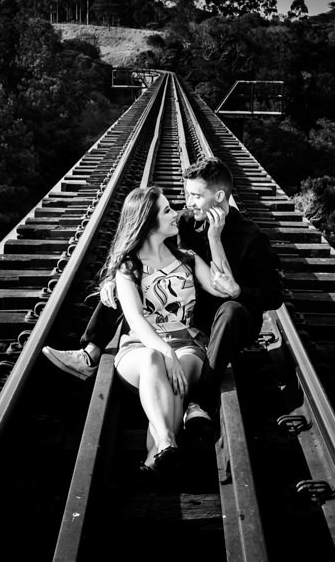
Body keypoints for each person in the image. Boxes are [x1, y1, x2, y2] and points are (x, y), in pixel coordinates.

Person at [44, 157, 283, 429]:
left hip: (232, 321)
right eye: (187, 194)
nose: (189, 202)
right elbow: (144, 245)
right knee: (136, 279)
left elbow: (274, 296)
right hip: (191, 310)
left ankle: (200, 400)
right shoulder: (184, 221)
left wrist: (238, 291)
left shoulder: (251, 237)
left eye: (195, 195)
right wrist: (114, 277)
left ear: (218, 196)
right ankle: (91, 351)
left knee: (231, 310)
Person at [96, 185, 233, 473]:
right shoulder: (128, 267)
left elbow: (224, 290)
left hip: (187, 346)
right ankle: (167, 439)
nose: (176, 214)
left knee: (176, 372)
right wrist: (163, 350)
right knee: (152, 359)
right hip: (139, 349)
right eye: (167, 210)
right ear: (147, 221)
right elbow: (135, 320)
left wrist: (214, 237)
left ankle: (158, 453)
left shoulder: (187, 258)